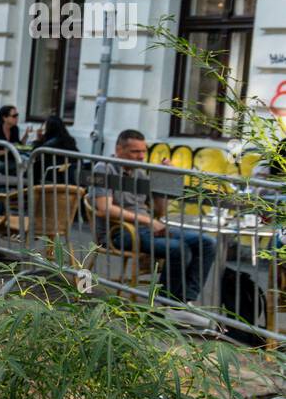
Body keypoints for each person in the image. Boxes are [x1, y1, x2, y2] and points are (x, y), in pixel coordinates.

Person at [88, 129, 218, 305]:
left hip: (146, 228)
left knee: (207, 242)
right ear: (119, 150)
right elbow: (105, 208)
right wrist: (150, 221)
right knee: (178, 249)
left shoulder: (140, 172)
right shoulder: (104, 168)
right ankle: (168, 304)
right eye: (135, 152)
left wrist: (163, 178)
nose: (141, 156)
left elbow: (159, 211)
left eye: (143, 151)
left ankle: (185, 301)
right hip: (119, 231)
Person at [30, 114, 80, 181]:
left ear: (49, 129)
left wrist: (38, 140)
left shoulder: (49, 145)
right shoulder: (69, 140)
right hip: (66, 177)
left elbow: (35, 156)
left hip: (51, 177)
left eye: (44, 127)